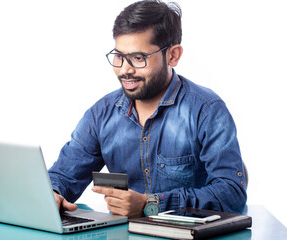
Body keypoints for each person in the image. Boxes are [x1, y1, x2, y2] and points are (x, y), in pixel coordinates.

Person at [49, 0, 247, 218]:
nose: (125, 70)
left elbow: (232, 193)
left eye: (138, 58)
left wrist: (151, 203)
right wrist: (53, 193)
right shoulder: (101, 113)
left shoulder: (207, 110)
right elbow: (64, 176)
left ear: (173, 55)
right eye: (119, 57)